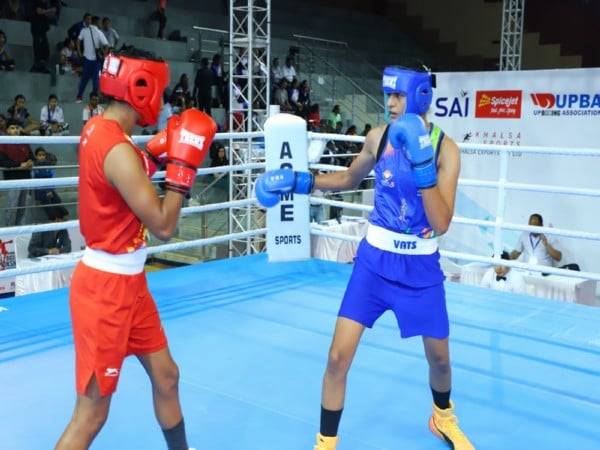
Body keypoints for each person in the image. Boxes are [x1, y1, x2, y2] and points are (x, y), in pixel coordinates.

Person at [255, 66, 474, 450]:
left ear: (420, 97)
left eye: (399, 96)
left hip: (420, 267)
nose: (390, 103)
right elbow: (348, 179)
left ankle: (442, 417)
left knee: (440, 361)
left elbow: (441, 223)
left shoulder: (445, 150)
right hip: (373, 264)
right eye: (388, 95)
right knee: (338, 357)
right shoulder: (379, 137)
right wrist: (299, 181)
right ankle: (326, 442)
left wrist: (422, 165)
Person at [54, 46, 217, 450]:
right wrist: (182, 171)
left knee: (167, 376)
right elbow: (163, 224)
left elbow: (128, 172)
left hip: (130, 285)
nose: (161, 101)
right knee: (91, 415)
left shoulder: (101, 128)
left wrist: (159, 150)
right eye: (158, 91)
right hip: (106, 293)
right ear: (140, 87)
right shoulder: (118, 150)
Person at [76, 14, 108, 102]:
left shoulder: (84, 30)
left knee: (84, 80)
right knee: (96, 81)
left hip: (86, 60)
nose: (101, 24)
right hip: (96, 61)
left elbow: (78, 41)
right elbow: (107, 45)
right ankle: (94, 99)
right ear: (97, 22)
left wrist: (79, 53)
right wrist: (104, 56)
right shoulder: (99, 32)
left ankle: (79, 97)